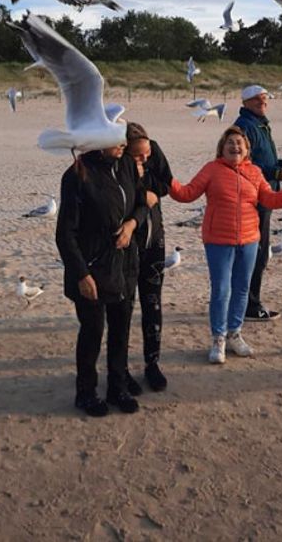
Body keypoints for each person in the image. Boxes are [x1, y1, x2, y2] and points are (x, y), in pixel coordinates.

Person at [167, 126, 282, 363]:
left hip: (249, 239)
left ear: (247, 149)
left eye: (240, 143)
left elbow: (270, 199)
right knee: (221, 290)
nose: (235, 147)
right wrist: (167, 178)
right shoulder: (211, 169)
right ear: (222, 147)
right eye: (230, 143)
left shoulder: (255, 172)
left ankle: (235, 334)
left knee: (241, 290)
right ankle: (219, 339)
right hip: (218, 240)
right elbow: (186, 194)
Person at [56, 141, 149, 416]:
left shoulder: (128, 166)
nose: (122, 144)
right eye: (114, 139)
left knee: (121, 330)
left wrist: (132, 225)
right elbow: (65, 233)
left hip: (124, 265)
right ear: (97, 139)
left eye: (122, 138)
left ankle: (117, 387)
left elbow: (143, 203)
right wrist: (82, 274)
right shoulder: (77, 174)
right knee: (92, 332)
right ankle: (85, 392)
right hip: (92, 268)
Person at [233, 84, 282, 321]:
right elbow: (245, 163)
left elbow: (260, 158)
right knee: (254, 253)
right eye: (257, 100)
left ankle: (246, 301)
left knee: (257, 252)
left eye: (265, 99)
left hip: (264, 194)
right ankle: (249, 305)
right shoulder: (245, 126)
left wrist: (279, 165)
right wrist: (274, 173)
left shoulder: (260, 123)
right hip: (254, 197)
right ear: (246, 102)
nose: (263, 102)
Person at [124, 122, 174, 392]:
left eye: (147, 154)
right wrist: (141, 190)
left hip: (155, 241)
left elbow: (166, 185)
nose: (145, 158)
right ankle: (120, 369)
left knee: (152, 304)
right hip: (126, 246)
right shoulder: (117, 166)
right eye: (137, 155)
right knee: (124, 307)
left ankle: (152, 363)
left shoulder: (153, 150)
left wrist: (146, 179)